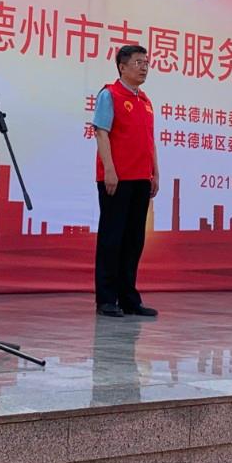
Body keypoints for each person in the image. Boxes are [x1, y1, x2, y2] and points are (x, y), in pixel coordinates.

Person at [92, 44, 159, 318]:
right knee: (112, 238)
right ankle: (106, 299)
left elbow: (149, 141)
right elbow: (101, 133)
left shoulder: (145, 100)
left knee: (134, 240)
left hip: (141, 178)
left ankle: (129, 298)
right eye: (138, 62)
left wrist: (155, 172)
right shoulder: (110, 94)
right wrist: (109, 169)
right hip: (116, 179)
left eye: (146, 62)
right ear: (122, 66)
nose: (144, 67)